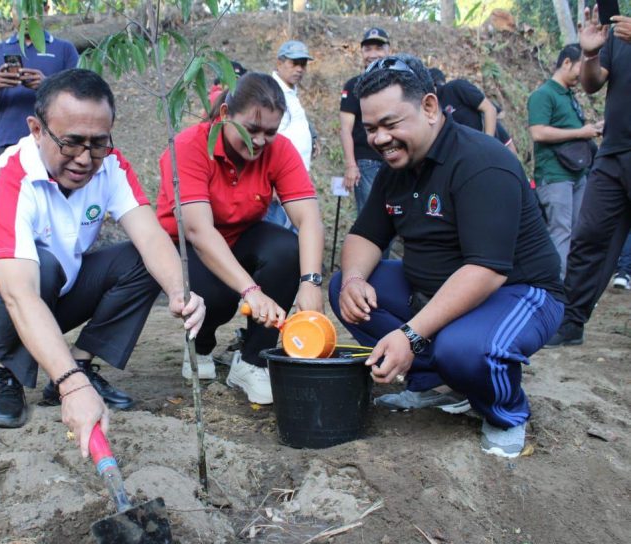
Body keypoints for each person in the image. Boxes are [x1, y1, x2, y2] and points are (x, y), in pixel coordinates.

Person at [0, 69, 206, 456]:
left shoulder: (112, 167)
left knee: (141, 261)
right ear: (36, 129)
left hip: (56, 293)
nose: (85, 158)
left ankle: (81, 362)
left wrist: (180, 292)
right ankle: (8, 374)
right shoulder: (9, 179)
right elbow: (18, 294)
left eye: (98, 143)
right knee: (43, 266)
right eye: (71, 143)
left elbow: (151, 238)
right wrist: (73, 388)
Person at [328, 55, 564, 458]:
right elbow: (364, 237)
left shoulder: (481, 162)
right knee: (344, 290)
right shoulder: (395, 169)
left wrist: (411, 335)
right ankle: (437, 385)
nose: (381, 139)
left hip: (518, 291)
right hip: (434, 287)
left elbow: (486, 270)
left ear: (430, 107)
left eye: (390, 124)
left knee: (464, 349)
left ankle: (506, 411)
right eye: (371, 130)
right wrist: (352, 280)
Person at [156, 72, 325, 404]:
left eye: (270, 133)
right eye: (251, 130)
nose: (260, 141)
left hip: (240, 235)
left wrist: (311, 281)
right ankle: (201, 345)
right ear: (224, 116)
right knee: (215, 294)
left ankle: (253, 360)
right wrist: (250, 290)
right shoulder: (190, 146)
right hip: (189, 246)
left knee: (286, 251)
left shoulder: (279, 150)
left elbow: (308, 218)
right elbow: (198, 231)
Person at [547, 5, 631, 346]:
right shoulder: (619, 33)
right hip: (613, 152)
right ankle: (570, 322)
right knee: (588, 235)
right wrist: (591, 52)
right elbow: (593, 83)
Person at [527, 43, 602, 280]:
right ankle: (557, 288)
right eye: (582, 66)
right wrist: (581, 133)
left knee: (578, 231)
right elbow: (538, 133)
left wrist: (591, 130)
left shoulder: (569, 96)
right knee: (560, 230)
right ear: (567, 63)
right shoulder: (543, 95)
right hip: (555, 175)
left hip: (577, 173)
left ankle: (572, 284)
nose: (584, 74)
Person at [0, 1, 79, 157]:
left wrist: (47, 86)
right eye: (20, 9)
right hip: (8, 141)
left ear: (45, 10)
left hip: (54, 140)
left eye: (32, 9)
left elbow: (80, 99)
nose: (26, 16)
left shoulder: (64, 49)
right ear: (12, 12)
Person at [265, 40, 318, 231]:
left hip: (294, 179)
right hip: (279, 183)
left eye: (303, 64)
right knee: (275, 234)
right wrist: (271, 182)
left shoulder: (290, 93)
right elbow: (267, 139)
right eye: (293, 63)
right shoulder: (272, 92)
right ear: (279, 63)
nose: (299, 69)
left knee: (291, 235)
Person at [340, 27, 390, 215]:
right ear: (361, 53)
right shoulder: (353, 85)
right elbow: (346, 129)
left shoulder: (398, 82)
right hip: (367, 162)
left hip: (396, 160)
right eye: (367, 49)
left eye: (378, 48)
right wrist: (351, 166)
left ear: (388, 50)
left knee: (397, 216)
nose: (373, 54)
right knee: (372, 217)